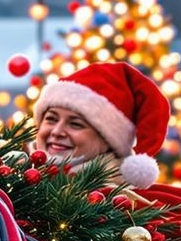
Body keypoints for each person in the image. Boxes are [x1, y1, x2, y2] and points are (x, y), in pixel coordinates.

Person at [29, 62, 169, 190]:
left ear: (108, 140)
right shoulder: (14, 178)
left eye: (75, 124)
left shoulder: (120, 204)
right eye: (51, 119)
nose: (57, 131)